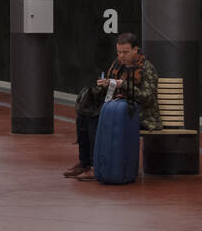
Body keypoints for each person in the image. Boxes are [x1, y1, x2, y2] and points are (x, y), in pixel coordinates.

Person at [63, 32, 162, 181]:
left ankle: (95, 166)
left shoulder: (147, 69)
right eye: (119, 52)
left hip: (141, 114)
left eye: (125, 52)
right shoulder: (117, 65)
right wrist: (104, 85)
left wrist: (123, 85)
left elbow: (147, 97)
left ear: (136, 50)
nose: (121, 56)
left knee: (97, 119)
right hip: (118, 109)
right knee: (84, 115)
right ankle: (85, 163)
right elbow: (111, 87)